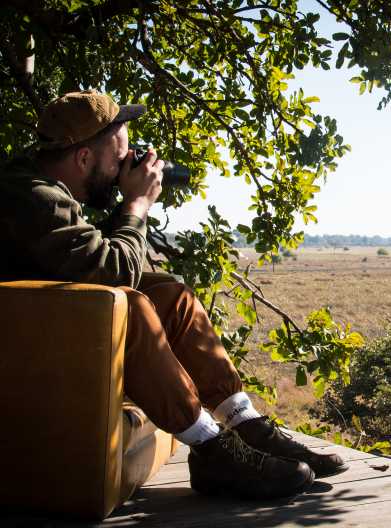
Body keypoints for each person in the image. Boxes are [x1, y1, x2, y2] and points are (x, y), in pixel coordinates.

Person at [0, 90, 347, 500]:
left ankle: (243, 423)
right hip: (20, 347)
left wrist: (126, 203)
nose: (127, 167)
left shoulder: (39, 182)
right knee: (131, 305)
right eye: (121, 157)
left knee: (169, 294)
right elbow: (113, 275)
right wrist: (137, 202)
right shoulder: (33, 197)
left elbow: (90, 264)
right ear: (83, 159)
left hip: (37, 327)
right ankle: (210, 446)